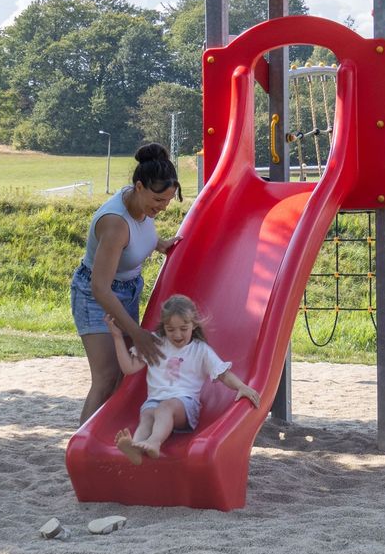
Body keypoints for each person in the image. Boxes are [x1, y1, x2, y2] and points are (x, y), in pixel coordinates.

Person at [72, 143, 182, 423]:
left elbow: (139, 235)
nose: (162, 208)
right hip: (96, 296)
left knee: (127, 372)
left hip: (128, 291)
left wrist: (161, 244)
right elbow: (100, 288)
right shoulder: (115, 224)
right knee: (106, 377)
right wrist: (137, 332)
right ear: (140, 186)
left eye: (168, 201)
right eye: (158, 200)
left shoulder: (139, 205)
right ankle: (82, 450)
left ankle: (105, 440)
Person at [105, 294, 258, 463]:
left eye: (183, 328)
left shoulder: (200, 350)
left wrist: (242, 387)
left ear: (193, 325)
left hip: (185, 405)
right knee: (148, 415)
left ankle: (154, 442)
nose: (177, 334)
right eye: (170, 329)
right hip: (155, 401)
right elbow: (128, 367)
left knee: (165, 408)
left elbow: (223, 374)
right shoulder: (155, 343)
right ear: (164, 326)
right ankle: (136, 446)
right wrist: (117, 337)